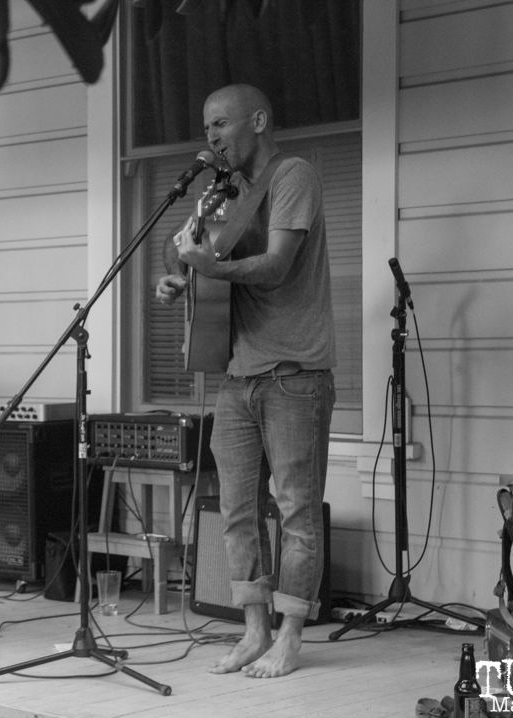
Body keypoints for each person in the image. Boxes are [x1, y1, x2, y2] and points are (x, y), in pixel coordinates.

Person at [157, 84, 336, 679]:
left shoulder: (293, 176)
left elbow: (277, 265)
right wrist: (177, 275)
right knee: (236, 510)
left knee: (296, 512)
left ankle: (291, 635)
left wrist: (212, 266)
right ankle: (254, 630)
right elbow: (179, 248)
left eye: (221, 123)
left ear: (257, 121)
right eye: (206, 127)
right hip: (237, 375)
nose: (211, 136)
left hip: (294, 375)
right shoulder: (221, 191)